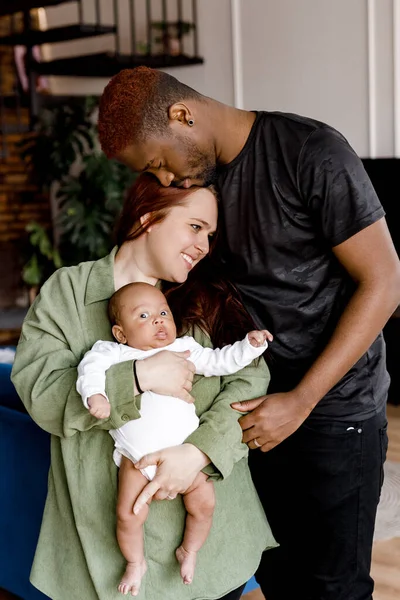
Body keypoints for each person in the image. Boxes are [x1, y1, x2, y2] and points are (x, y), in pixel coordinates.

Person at [97, 66, 400, 600]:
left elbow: (384, 280)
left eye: (159, 163)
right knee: (274, 578)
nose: (165, 180)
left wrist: (302, 400)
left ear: (182, 116)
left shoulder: (309, 152)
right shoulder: (196, 184)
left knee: (332, 589)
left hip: (332, 410)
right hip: (242, 415)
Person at [11, 173, 277, 600]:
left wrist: (199, 451)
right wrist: (138, 377)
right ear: (148, 217)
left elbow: (249, 377)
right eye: (195, 227)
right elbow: (42, 395)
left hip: (210, 542)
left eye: (210, 234)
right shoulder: (68, 291)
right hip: (100, 549)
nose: (204, 246)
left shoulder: (206, 295)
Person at [77, 281, 272, 594]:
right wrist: (96, 395)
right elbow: (90, 370)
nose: (157, 320)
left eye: (163, 312)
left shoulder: (184, 348)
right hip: (136, 457)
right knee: (128, 515)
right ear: (121, 333)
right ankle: (135, 562)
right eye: (143, 316)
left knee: (204, 505)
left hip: (186, 456)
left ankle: (189, 550)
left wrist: (248, 347)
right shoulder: (113, 353)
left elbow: (219, 361)